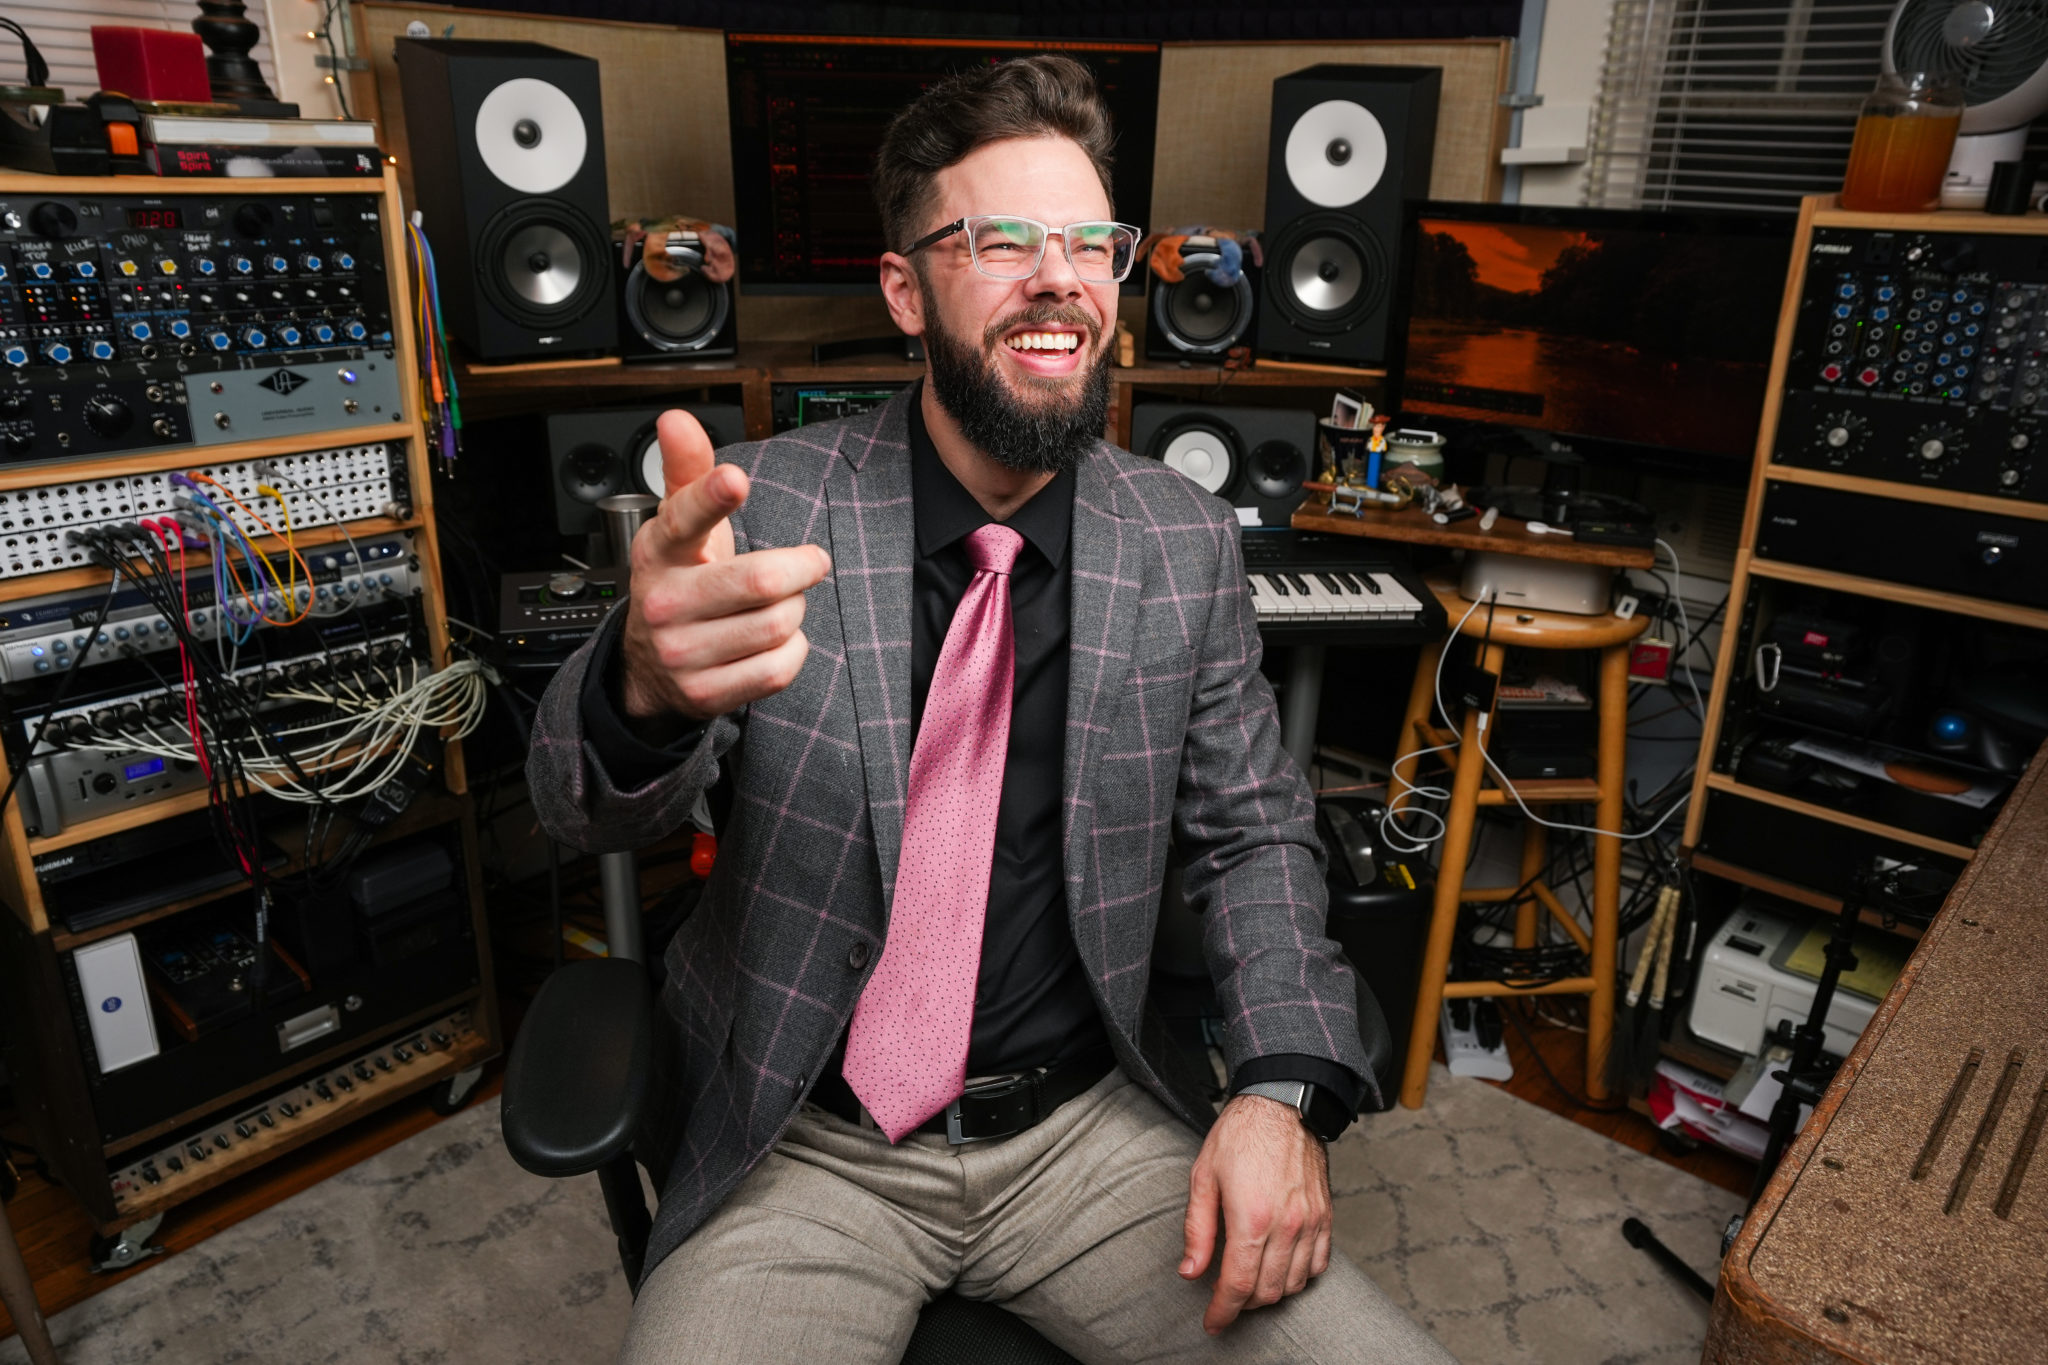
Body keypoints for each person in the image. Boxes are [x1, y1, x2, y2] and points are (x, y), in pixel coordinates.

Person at [527, 54, 1452, 1365]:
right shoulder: (764, 507)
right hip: (810, 1144)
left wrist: (1278, 1092)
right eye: (1001, 239)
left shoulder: (1182, 543)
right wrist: (641, 684)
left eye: (1090, 243)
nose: (1058, 276)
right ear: (906, 289)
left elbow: (1256, 837)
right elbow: (570, 803)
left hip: (1085, 1140)